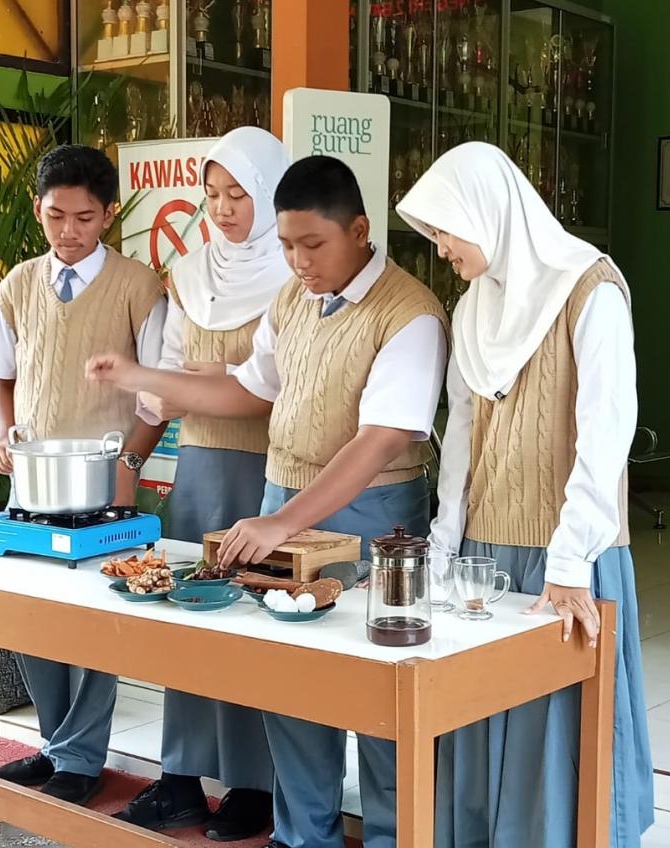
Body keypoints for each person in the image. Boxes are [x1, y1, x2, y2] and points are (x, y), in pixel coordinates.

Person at [85, 155, 449, 848]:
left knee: (378, 692)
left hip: (373, 515)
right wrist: (142, 376)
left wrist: (283, 518)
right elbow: (248, 392)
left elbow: (378, 441)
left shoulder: (410, 313)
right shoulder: (292, 299)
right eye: (286, 245)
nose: (298, 260)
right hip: (287, 496)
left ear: (360, 230)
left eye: (312, 244)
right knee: (295, 685)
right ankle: (301, 835)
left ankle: (395, 836)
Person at [396, 141, 654, 847]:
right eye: (432, 233)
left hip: (565, 560)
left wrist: (571, 563)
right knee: (479, 730)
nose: (439, 246)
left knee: (559, 748)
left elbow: (607, 434)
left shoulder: (590, 290)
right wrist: (447, 538)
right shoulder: (476, 306)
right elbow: (463, 439)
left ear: (492, 210)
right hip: (486, 556)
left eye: (446, 227)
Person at [114, 126, 290, 841]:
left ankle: (255, 786)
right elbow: (164, 383)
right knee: (186, 618)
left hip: (272, 474)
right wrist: (128, 463)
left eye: (239, 195)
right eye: (213, 195)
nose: (223, 209)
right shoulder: (189, 274)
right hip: (201, 466)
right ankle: (180, 779)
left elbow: (291, 387)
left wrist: (197, 383)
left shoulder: (296, 273)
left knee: (255, 626)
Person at [0, 144, 168, 805]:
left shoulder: (139, 287)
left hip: (104, 484)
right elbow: (1, 379)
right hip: (30, 484)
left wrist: (130, 465)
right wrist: (3, 436)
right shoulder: (18, 285)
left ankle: (82, 760)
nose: (68, 231)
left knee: (96, 622)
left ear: (109, 215)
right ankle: (58, 747)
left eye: (84, 218)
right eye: (56, 216)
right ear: (38, 209)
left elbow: (158, 399)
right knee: (34, 617)